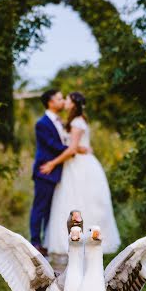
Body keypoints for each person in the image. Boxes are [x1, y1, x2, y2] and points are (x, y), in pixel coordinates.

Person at [41, 92, 120, 255]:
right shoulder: (74, 121)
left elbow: (71, 149)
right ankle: (73, 237)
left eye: (67, 100)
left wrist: (52, 163)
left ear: (74, 104)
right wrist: (79, 147)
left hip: (80, 166)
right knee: (70, 199)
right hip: (74, 165)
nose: (64, 102)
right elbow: (75, 146)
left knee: (83, 200)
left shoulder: (77, 122)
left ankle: (86, 237)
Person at [30, 89, 87, 255]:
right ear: (50, 102)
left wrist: (74, 147)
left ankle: (47, 242)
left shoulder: (61, 121)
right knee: (39, 208)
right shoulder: (42, 123)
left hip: (58, 171)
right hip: (45, 170)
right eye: (60, 99)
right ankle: (35, 243)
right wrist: (74, 149)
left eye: (64, 99)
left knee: (50, 210)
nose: (63, 102)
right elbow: (52, 145)